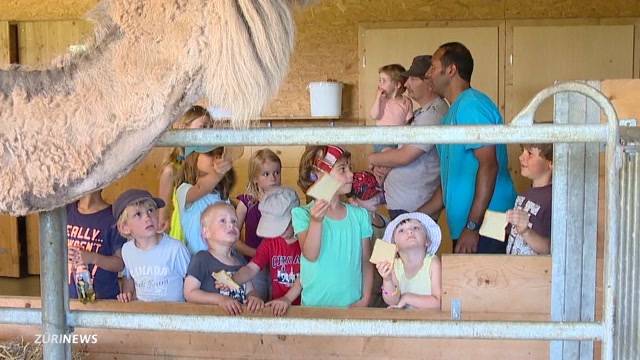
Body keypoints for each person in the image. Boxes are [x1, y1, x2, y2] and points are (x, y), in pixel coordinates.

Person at [425, 42, 517, 253]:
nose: (428, 74)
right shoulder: (452, 113)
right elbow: (449, 181)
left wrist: (473, 226)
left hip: (487, 226)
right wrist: (416, 216)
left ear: (451, 70)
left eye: (433, 66)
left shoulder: (471, 105)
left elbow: (489, 165)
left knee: (487, 284)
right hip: (468, 228)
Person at [368, 55, 447, 220]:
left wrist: (373, 158)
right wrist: (385, 162)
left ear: (429, 82)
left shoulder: (433, 114)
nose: (406, 83)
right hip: (405, 203)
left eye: (412, 78)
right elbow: (402, 150)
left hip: (414, 206)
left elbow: (405, 156)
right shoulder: (422, 112)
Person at [293, 145, 373, 307]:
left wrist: (365, 300)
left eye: (350, 168)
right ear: (317, 176)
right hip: (314, 309)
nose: (351, 174)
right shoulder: (302, 214)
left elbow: (366, 261)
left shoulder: (360, 216)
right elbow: (310, 255)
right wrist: (316, 222)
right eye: (342, 169)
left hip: (352, 309)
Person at [231, 186, 302, 316]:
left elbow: (306, 275)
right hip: (277, 307)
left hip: (304, 308)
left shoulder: (305, 241)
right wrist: (233, 280)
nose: (278, 232)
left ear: (295, 216)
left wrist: (287, 299)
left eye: (281, 226)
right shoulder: (270, 242)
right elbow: (252, 268)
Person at [183, 202, 264, 315]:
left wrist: (254, 298)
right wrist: (220, 300)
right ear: (206, 232)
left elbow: (250, 290)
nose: (231, 225)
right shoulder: (202, 259)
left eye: (234, 221)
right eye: (223, 221)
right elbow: (189, 293)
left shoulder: (240, 261)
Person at [114, 189, 191, 303]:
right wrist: (127, 295)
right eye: (138, 214)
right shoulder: (127, 250)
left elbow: (192, 283)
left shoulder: (175, 249)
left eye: (150, 210)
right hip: (145, 316)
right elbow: (129, 278)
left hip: (175, 316)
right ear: (125, 227)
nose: (147, 217)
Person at [157, 105, 213, 239]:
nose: (208, 132)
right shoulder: (171, 169)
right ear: (184, 128)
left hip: (204, 233)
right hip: (181, 235)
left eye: (210, 128)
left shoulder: (206, 164)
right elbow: (163, 212)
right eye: (203, 126)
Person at [234, 149, 283, 299]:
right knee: (257, 303)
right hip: (254, 263)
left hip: (279, 263)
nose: (273, 178)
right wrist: (258, 255)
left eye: (276, 172)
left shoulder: (285, 201)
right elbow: (233, 240)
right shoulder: (246, 203)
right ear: (255, 178)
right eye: (266, 174)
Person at [175, 145, 235, 255]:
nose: (216, 159)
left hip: (222, 259)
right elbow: (201, 187)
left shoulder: (222, 197)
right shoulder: (183, 190)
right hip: (197, 262)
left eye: (219, 155)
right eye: (209, 154)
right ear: (192, 157)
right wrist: (220, 172)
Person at [66, 189, 125, 300]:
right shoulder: (66, 211)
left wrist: (92, 258)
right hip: (68, 300)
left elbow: (120, 264)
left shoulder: (113, 217)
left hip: (104, 300)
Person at [377, 212, 442, 309]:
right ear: (395, 246)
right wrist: (387, 280)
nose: (410, 232)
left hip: (430, 322)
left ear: (427, 240)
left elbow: (439, 303)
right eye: (402, 230)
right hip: (404, 323)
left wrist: (407, 298)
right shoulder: (394, 266)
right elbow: (392, 301)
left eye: (416, 228)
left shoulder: (433, 263)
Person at [506, 144, 553, 255]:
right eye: (523, 151)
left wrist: (526, 231)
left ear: (551, 163)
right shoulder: (524, 194)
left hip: (534, 271)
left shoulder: (554, 199)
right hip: (515, 269)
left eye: (530, 154)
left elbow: (551, 249)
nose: (521, 157)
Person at [369, 64, 413, 153]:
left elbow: (409, 122)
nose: (380, 84)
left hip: (399, 140)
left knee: (396, 158)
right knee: (387, 156)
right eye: (379, 80)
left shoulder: (406, 102)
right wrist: (378, 98)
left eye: (383, 81)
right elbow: (374, 115)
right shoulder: (382, 100)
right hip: (382, 139)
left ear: (397, 85)